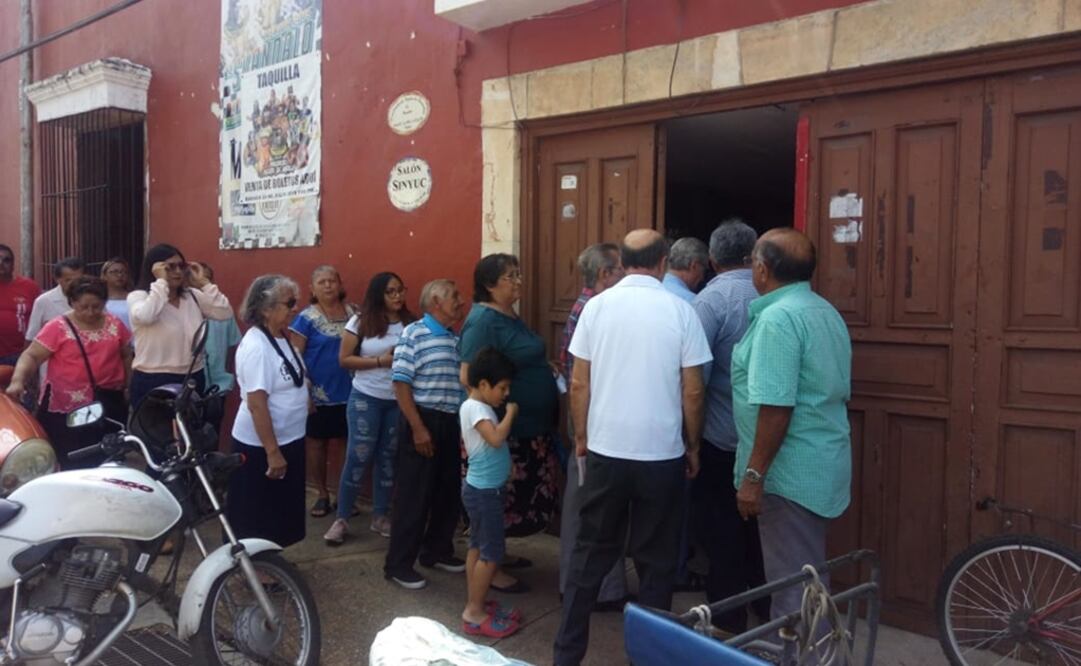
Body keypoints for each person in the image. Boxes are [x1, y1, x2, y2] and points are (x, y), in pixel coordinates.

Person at [555, 229, 712, 666]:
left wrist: (582, 435)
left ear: (622, 263)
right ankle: (646, 658)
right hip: (662, 455)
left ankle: (566, 656)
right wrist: (693, 445)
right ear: (663, 262)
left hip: (605, 452)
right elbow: (693, 391)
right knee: (657, 563)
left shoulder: (597, 308)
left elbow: (579, 381)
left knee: (589, 557)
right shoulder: (681, 310)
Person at [732, 228, 852, 625]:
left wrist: (753, 476)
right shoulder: (822, 310)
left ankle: (804, 654)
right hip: (819, 462)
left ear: (762, 269)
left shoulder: (778, 319)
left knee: (793, 590)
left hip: (789, 474)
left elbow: (776, 407)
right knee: (807, 576)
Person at [459, 253, 559, 594]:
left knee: (513, 501)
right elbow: (467, 375)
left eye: (518, 274)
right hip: (503, 433)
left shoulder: (508, 314)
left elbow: (513, 358)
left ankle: (499, 554)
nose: (518, 281)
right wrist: (496, 415)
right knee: (498, 500)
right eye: (510, 277)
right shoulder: (482, 321)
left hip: (528, 427)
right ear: (489, 284)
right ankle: (492, 565)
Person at [691, 219, 768, 632]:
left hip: (722, 438)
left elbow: (694, 377)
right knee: (763, 531)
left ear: (711, 259)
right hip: (770, 440)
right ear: (753, 255)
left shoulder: (710, 300)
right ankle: (770, 610)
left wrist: (691, 440)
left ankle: (728, 617)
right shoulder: (772, 292)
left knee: (721, 531)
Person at [557, 243, 630, 611]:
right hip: (592, 423)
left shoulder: (588, 309)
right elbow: (580, 379)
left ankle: (588, 584)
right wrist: (582, 432)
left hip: (588, 420)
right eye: (620, 270)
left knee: (588, 505)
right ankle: (593, 589)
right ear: (605, 274)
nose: (626, 276)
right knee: (591, 508)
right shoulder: (593, 311)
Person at [383, 279, 467, 590]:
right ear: (435, 302)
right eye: (454, 296)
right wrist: (418, 428)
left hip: (450, 421)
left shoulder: (453, 337)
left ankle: (437, 550)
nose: (460, 301)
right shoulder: (414, 333)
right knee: (413, 496)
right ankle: (398, 564)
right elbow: (401, 383)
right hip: (423, 420)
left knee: (447, 492)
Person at [324, 271, 415, 545]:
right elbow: (345, 360)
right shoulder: (361, 321)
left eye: (400, 290)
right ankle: (341, 519)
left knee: (388, 458)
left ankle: (380, 516)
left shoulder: (411, 324)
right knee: (358, 456)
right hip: (366, 397)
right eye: (391, 291)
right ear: (378, 294)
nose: (398, 296)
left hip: (397, 401)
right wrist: (380, 362)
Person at [6, 276, 131, 469]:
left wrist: (128, 385)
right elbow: (31, 356)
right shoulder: (58, 327)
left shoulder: (114, 325)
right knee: (69, 456)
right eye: (83, 307)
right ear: (72, 302)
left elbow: (125, 356)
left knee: (105, 455)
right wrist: (18, 380)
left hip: (106, 402)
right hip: (66, 407)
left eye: (96, 306)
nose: (90, 312)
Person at [226, 274, 308, 548]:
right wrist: (273, 452)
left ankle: (271, 558)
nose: (295, 308)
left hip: (290, 437)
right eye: (289, 303)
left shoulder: (282, 337)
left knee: (279, 507)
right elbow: (256, 403)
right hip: (262, 446)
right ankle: (254, 566)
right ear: (266, 309)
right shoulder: (256, 346)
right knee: (256, 509)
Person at [459, 347, 522, 639]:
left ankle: (477, 601)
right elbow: (496, 439)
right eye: (502, 388)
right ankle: (474, 613)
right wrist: (509, 415)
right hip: (484, 493)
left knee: (477, 546)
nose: (505, 394)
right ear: (483, 384)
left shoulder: (480, 408)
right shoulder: (475, 408)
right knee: (491, 552)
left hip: (484, 489)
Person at [127, 244, 233, 410]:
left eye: (181, 266)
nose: (177, 272)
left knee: (189, 433)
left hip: (192, 377)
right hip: (153, 378)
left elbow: (224, 312)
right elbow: (146, 316)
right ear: (155, 269)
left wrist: (204, 283)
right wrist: (161, 282)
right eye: (169, 267)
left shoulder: (192, 296)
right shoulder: (140, 297)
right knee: (154, 434)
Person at [288, 265, 356, 518]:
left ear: (339, 284)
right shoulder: (305, 319)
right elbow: (295, 358)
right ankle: (322, 494)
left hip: (350, 390)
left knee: (348, 443)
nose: (327, 285)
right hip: (318, 392)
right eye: (322, 282)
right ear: (312, 288)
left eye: (332, 280)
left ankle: (343, 494)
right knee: (317, 444)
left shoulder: (353, 313)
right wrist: (303, 392)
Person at [26, 257, 85, 341]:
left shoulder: (92, 299)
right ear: (57, 279)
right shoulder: (44, 301)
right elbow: (32, 337)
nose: (74, 284)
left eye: (79, 280)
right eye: (68, 280)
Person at [0, 244, 40, 366]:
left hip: (20, 355)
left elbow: (40, 319)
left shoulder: (29, 287)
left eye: (6, 260)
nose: (1, 263)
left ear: (13, 265)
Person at [662, 237, 708, 303]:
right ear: (694, 266)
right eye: (704, 271)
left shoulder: (652, 287)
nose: (702, 278)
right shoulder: (692, 301)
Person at [101, 257, 133, 332]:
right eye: (114, 272)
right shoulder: (100, 298)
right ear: (104, 276)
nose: (119, 275)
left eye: (123, 272)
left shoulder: (134, 297)